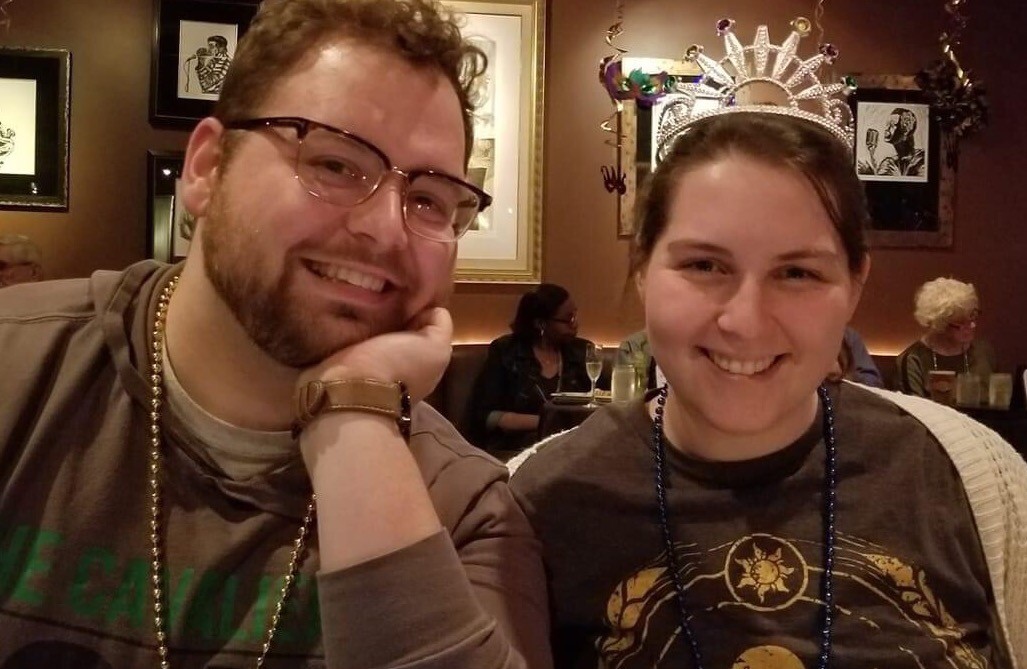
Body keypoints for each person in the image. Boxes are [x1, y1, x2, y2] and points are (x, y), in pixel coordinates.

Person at [0, 1, 551, 667]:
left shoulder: (465, 509)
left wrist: (352, 411)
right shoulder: (18, 366)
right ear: (206, 168)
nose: (385, 229)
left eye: (430, 200)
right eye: (335, 164)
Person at [510, 18, 1025, 668]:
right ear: (642, 268)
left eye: (797, 273)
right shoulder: (537, 499)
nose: (746, 322)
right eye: (704, 265)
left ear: (855, 285)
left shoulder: (975, 478)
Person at [468, 283, 592, 455]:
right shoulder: (506, 351)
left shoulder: (581, 352)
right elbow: (487, 416)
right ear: (541, 323)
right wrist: (548, 423)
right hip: (514, 449)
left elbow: (601, 403)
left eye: (575, 316)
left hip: (571, 448)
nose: (575, 324)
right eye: (568, 319)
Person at [897, 277, 996, 397]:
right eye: (960, 322)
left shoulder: (984, 352)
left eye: (972, 316)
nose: (972, 325)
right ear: (940, 324)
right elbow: (913, 406)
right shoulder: (913, 359)